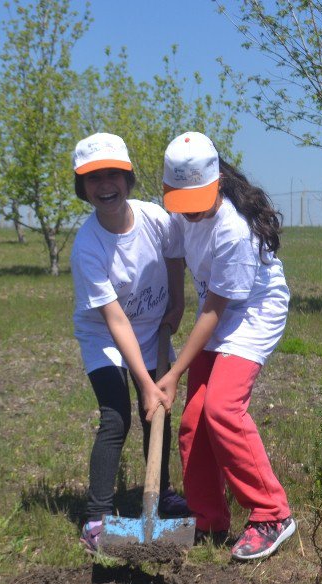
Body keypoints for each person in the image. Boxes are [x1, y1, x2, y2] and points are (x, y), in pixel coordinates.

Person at [156, 131, 296, 561]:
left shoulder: (234, 230)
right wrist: (176, 302)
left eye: (198, 200)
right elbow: (176, 253)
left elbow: (216, 311)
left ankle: (272, 513)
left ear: (216, 183)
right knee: (194, 421)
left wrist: (174, 372)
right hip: (213, 310)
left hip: (253, 313)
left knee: (221, 409)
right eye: (181, 201)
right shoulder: (184, 208)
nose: (190, 211)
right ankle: (207, 518)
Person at [69, 132, 190, 553]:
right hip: (105, 335)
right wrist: (143, 381)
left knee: (159, 413)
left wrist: (176, 303)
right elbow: (115, 319)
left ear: (129, 177)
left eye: (113, 175)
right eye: (93, 178)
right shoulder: (88, 246)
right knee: (117, 416)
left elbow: (174, 257)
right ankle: (97, 517)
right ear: (82, 188)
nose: (105, 186)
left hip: (153, 327)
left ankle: (163, 492)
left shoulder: (155, 218)